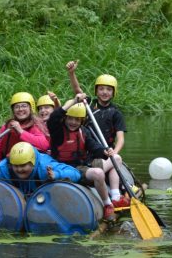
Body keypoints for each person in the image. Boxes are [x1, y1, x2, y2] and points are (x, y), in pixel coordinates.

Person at [47, 93, 129, 222]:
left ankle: (115, 197)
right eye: (70, 118)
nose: (73, 122)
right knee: (98, 173)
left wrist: (105, 151)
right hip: (63, 168)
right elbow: (54, 117)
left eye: (77, 119)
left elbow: (94, 147)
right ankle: (107, 204)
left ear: (82, 121)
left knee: (116, 158)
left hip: (82, 166)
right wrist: (74, 100)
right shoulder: (57, 131)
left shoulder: (84, 131)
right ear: (65, 118)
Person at [0, 142, 81, 196]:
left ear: (33, 163)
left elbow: (76, 174)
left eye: (23, 165)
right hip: (17, 204)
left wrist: (56, 175)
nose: (19, 169)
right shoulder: (4, 167)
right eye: (16, 166)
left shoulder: (45, 167)